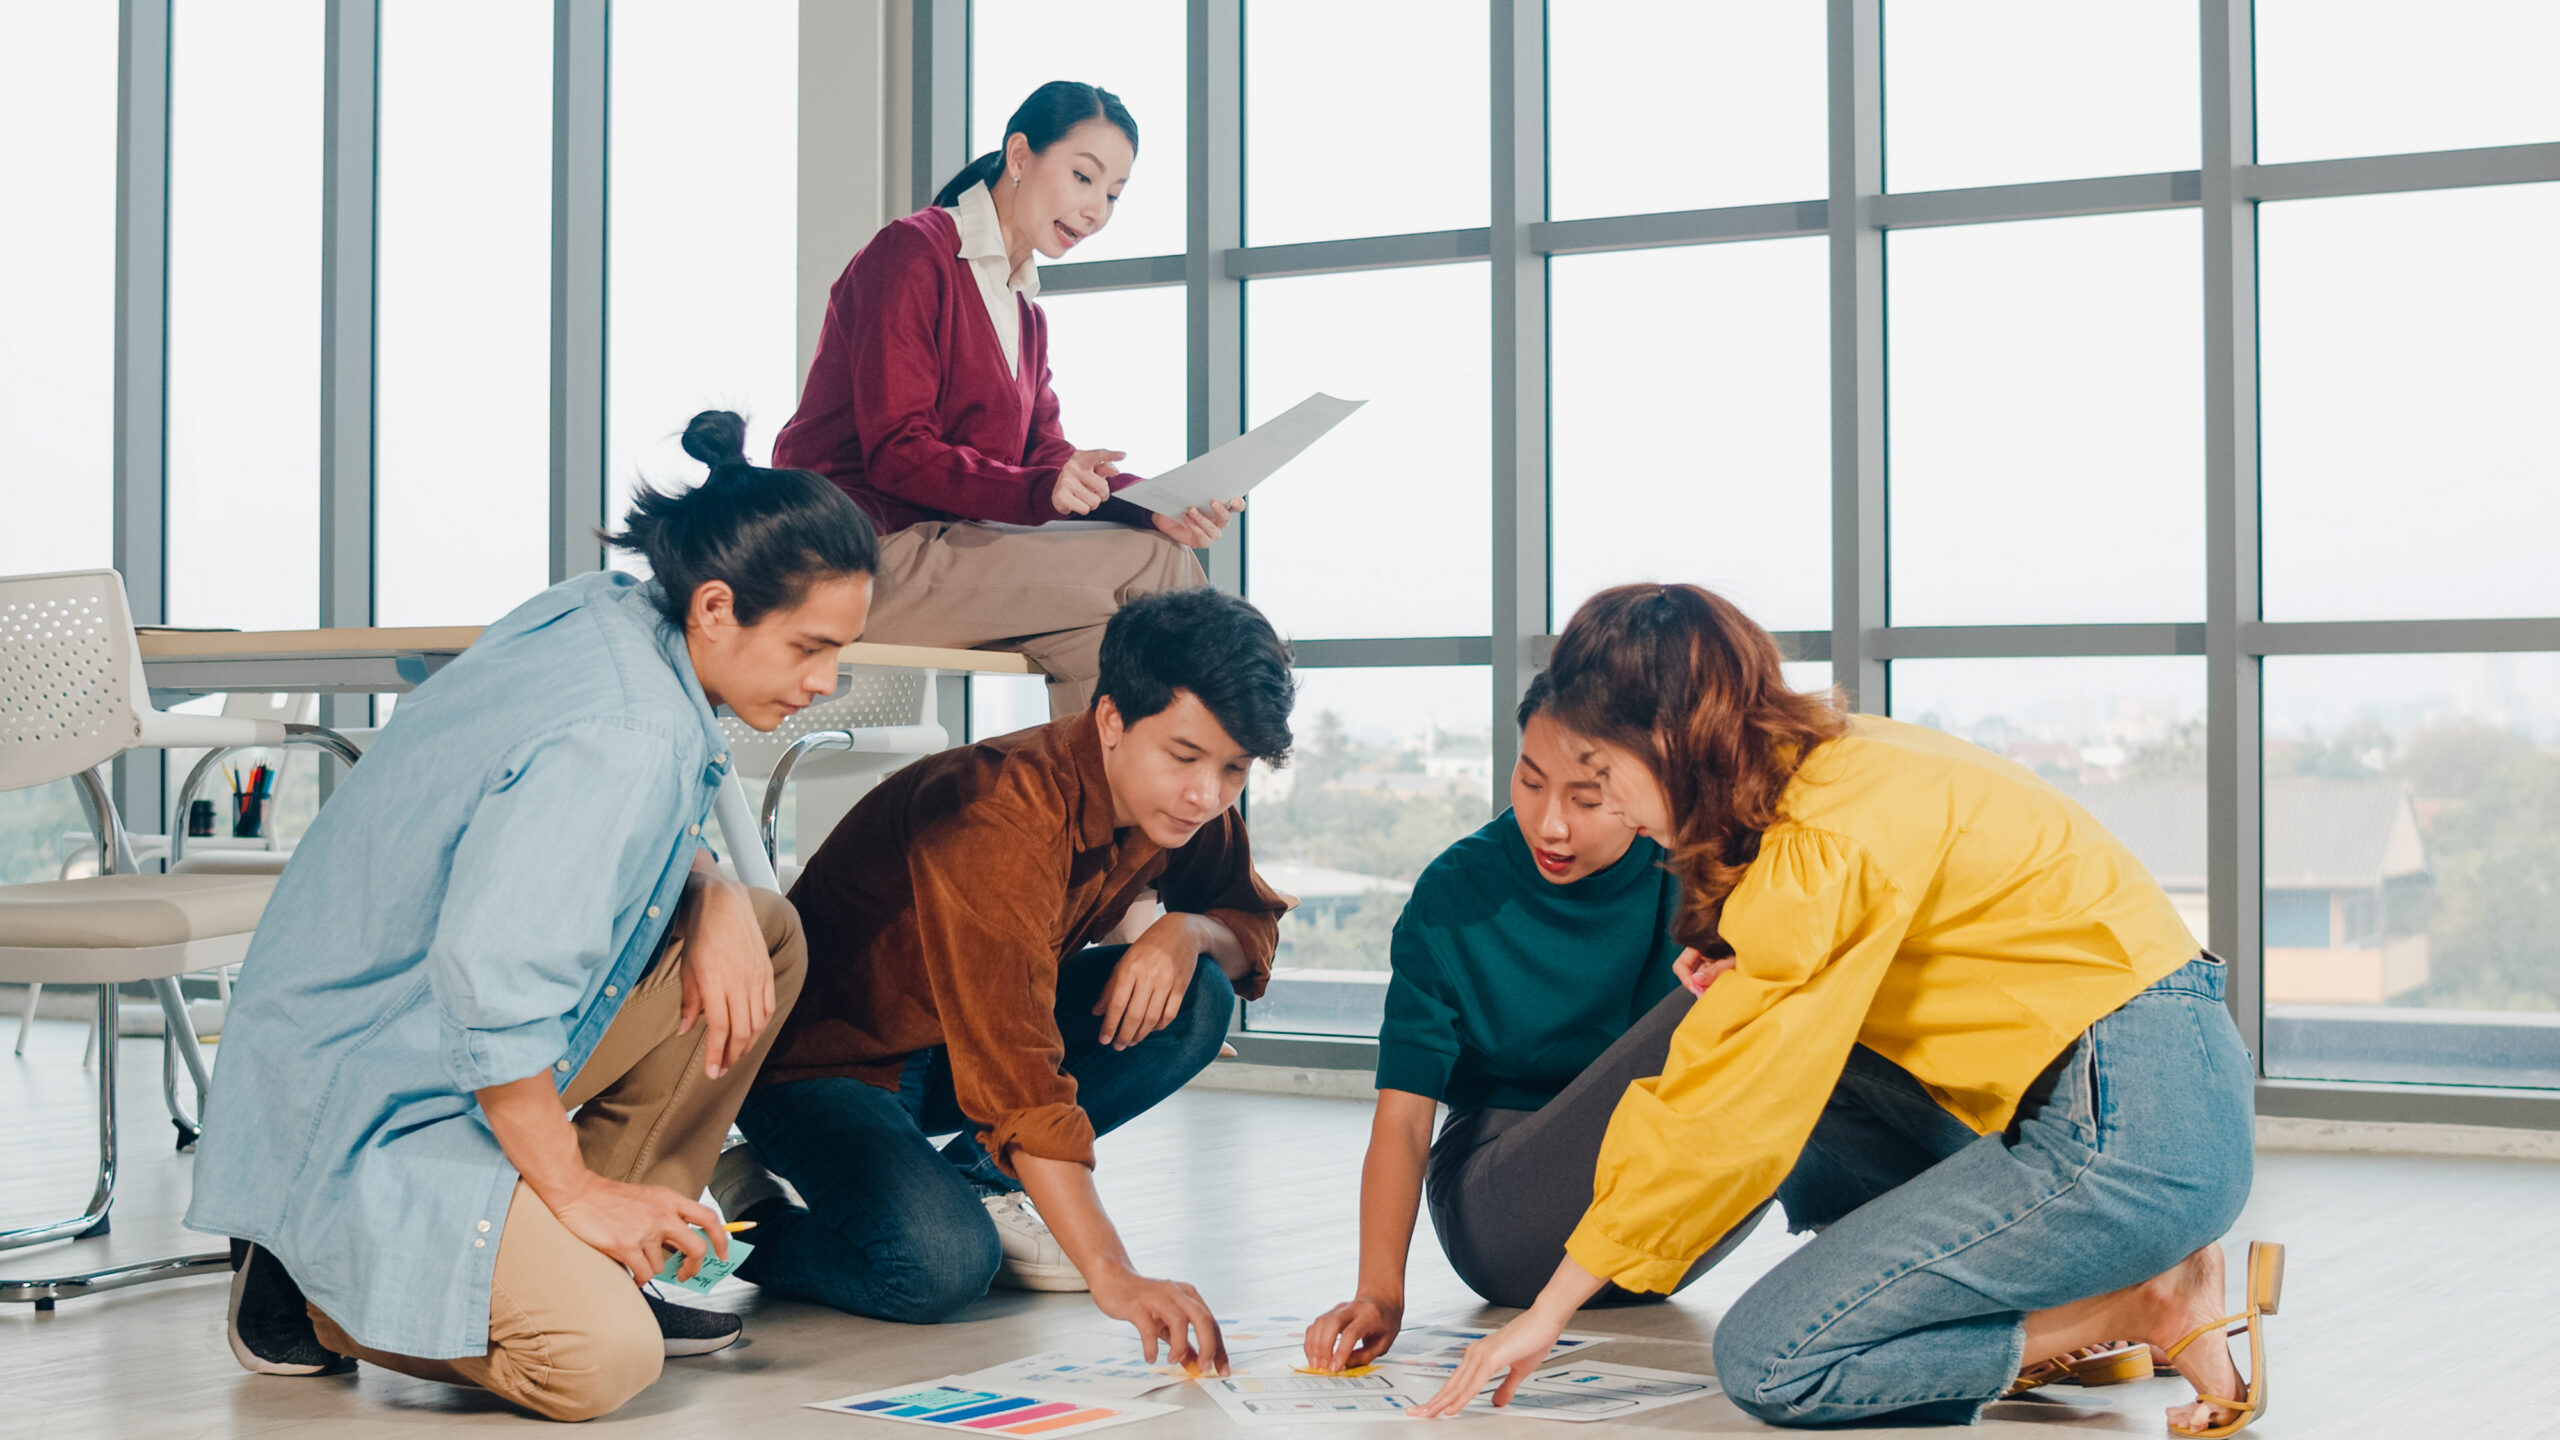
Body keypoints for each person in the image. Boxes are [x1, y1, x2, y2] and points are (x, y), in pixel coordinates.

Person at [1411, 584, 2276, 1439]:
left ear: (1669, 741)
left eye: (1602, 775)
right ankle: (2106, 1284)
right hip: (2150, 1084)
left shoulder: (1819, 842)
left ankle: (2141, 1305)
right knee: (1818, 1072)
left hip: (2129, 1136)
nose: (1610, 810)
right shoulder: (1846, 759)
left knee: (1773, 1361)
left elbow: (1722, 1105)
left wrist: (1550, 1310)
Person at [186, 413, 878, 1423]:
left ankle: (603, 1253)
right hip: (376, 1094)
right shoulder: (631, 728)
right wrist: (576, 1191)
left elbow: (537, 822)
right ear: (719, 609)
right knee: (598, 1362)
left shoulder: (612, 614)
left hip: (363, 1046)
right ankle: (323, 1278)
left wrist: (714, 889)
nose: (823, 684)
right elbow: (490, 980)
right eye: (810, 648)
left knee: (761, 932)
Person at [710, 587, 1294, 1373]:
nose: (1207, 793)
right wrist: (1112, 1274)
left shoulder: (1183, 808)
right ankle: (754, 1211)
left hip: (952, 1044)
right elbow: (1018, 1072)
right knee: (938, 1268)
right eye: (1185, 757)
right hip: (826, 1066)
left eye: (1234, 768)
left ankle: (980, 1185)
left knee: (1198, 996)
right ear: (1113, 719)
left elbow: (1249, 920)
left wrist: (1185, 930)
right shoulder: (998, 817)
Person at [1301, 673, 1769, 1373]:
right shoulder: (1454, 895)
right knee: (1753, 990)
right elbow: (1403, 1119)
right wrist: (1380, 1293)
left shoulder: (1692, 867)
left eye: (1588, 799)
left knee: (1804, 1001)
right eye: (1529, 782)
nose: (1551, 824)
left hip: (1663, 1218)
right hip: (1505, 1206)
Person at [773, 79, 1241, 718]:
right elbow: (897, 452)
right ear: (1019, 156)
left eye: (1112, 194)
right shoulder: (912, 252)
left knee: (1107, 642)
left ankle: (1085, 819)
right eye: (1083, 177)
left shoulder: (1022, 312)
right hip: (847, 559)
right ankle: (1241, 721)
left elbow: (1048, 460)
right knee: (1159, 567)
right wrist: (1042, 491)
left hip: (938, 550)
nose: (1097, 210)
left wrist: (1153, 506)